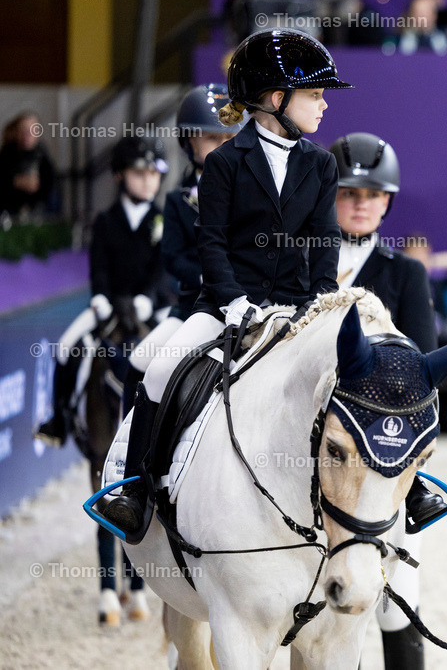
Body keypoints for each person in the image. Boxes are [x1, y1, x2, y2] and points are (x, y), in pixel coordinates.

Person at [99, 28, 350, 543]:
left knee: (356, 373)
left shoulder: (322, 165)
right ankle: (137, 489)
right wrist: (234, 300)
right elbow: (210, 244)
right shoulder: (224, 164)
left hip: (297, 307)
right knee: (158, 367)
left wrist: (322, 309)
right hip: (223, 307)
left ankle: (391, 489)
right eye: (315, 94)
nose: (324, 106)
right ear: (277, 99)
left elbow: (325, 244)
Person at [329, 131, 441, 669]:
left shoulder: (405, 274)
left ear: (387, 202)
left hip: (378, 442)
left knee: (399, 600)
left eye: (371, 194)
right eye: (349, 192)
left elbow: (421, 369)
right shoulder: (303, 266)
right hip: (311, 434)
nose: (359, 203)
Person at [34, 136, 168, 446]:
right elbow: (99, 267)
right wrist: (100, 296)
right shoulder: (106, 221)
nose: (149, 181)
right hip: (109, 304)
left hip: (150, 306)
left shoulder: (163, 220)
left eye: (154, 174)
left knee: (178, 352)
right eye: (140, 173)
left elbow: (163, 268)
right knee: (67, 347)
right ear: (120, 175)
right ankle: (59, 419)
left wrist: (147, 298)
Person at [120, 84, 240, 415]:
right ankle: (130, 457)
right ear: (188, 140)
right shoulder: (177, 201)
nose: (222, 146)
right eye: (212, 137)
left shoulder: (253, 192)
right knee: (140, 361)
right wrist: (208, 275)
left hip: (246, 306)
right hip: (193, 306)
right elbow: (172, 257)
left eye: (229, 139)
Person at [0, 112, 57, 218]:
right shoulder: (6, 154)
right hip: (10, 209)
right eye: (24, 130)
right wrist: (16, 181)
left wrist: (35, 185)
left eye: (32, 130)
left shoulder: (42, 156)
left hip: (37, 209)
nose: (28, 134)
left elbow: (49, 183)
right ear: (16, 132)